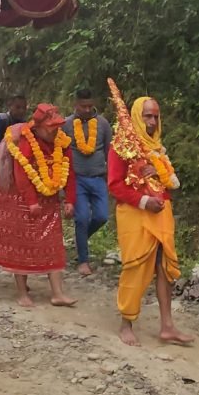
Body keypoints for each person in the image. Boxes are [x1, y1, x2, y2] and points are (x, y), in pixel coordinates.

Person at [109, 95, 194, 346]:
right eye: (147, 116)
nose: (152, 121)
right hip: (135, 215)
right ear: (137, 116)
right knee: (135, 267)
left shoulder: (157, 148)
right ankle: (126, 324)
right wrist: (145, 202)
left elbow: (170, 182)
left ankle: (167, 327)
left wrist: (159, 171)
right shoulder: (121, 145)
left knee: (164, 268)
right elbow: (115, 186)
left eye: (156, 116)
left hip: (161, 215)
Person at [0, 104, 76, 308]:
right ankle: (22, 293)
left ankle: (58, 293)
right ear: (38, 127)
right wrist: (31, 201)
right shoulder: (25, 141)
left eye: (57, 126)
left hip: (50, 199)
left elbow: (69, 172)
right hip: (22, 199)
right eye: (51, 127)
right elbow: (22, 174)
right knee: (21, 246)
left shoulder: (62, 142)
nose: (55, 131)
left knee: (53, 245)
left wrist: (70, 200)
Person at [65, 88, 113, 275]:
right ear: (75, 104)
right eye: (83, 106)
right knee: (82, 218)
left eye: (90, 106)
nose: (87, 110)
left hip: (98, 177)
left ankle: (81, 239)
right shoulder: (67, 124)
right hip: (76, 179)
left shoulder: (103, 124)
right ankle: (83, 260)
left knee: (101, 217)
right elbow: (61, 153)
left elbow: (109, 152)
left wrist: (112, 177)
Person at [0, 92, 29, 180]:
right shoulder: (0, 122)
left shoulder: (24, 125)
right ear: (10, 106)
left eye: (24, 108)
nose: (21, 111)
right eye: (18, 107)